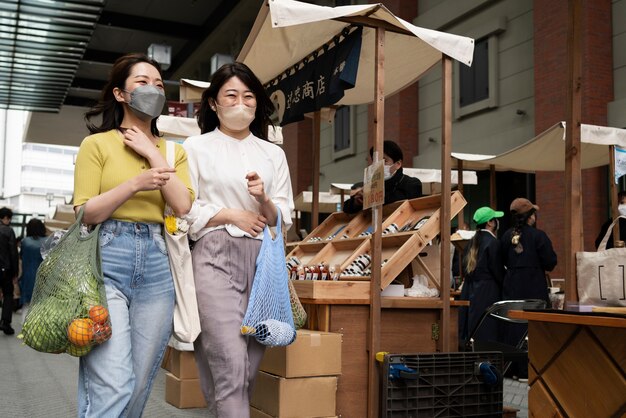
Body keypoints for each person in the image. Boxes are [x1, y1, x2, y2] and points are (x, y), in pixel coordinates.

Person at [73, 53, 194, 417]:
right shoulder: (96, 146)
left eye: (159, 84)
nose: (153, 89)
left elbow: (183, 205)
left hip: (158, 263)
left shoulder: (175, 152)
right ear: (120, 94)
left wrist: (152, 153)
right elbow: (85, 213)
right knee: (114, 381)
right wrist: (135, 184)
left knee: (141, 382)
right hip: (107, 257)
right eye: (143, 82)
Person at [184, 62, 294, 418]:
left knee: (247, 371)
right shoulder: (194, 148)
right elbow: (183, 210)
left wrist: (263, 200)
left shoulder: (272, 153)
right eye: (231, 95)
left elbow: (284, 217)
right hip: (214, 256)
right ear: (214, 103)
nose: (241, 103)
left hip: (264, 264)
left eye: (248, 96)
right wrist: (231, 214)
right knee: (230, 365)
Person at [500, 197, 557, 378]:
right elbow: (550, 262)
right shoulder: (538, 236)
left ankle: (514, 369)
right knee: (534, 328)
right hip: (534, 288)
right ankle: (531, 371)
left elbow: (500, 260)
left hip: (511, 287)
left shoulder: (506, 236)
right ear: (531, 217)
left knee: (513, 326)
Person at [458, 207, 505, 346]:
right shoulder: (493, 242)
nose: (497, 221)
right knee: (487, 328)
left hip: (469, 289)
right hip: (488, 290)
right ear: (490, 223)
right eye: (495, 219)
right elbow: (498, 270)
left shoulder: (471, 242)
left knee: (472, 326)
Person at [343, 140, 422, 213]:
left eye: (384, 161)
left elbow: (398, 199)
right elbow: (346, 207)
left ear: (398, 164)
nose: (379, 165)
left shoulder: (412, 183)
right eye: (375, 162)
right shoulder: (370, 186)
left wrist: (369, 198)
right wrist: (357, 202)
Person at [18, 218, 47, 325]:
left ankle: (25, 330)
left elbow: (21, 260)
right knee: (42, 305)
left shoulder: (25, 242)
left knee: (27, 304)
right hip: (44, 277)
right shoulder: (48, 241)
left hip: (28, 277)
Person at [0, 207, 18, 335]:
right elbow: (13, 253)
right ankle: (5, 323)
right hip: (6, 270)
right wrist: (15, 272)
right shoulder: (9, 231)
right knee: (7, 295)